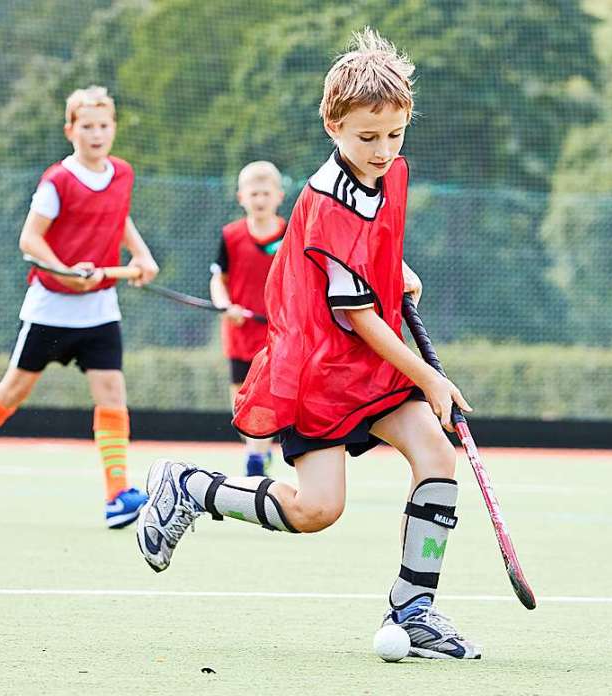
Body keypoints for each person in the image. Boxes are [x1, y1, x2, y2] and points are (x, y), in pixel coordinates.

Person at [136, 29, 481, 659]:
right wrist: (430, 379)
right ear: (334, 127)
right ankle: (191, 488)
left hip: (367, 369)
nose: (383, 151)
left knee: (436, 453)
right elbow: (358, 319)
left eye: (395, 135)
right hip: (324, 367)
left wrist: (395, 269)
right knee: (317, 510)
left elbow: (375, 244)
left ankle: (416, 609)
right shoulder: (327, 201)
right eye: (367, 137)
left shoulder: (391, 171)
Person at [0, 86, 159, 528]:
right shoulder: (58, 180)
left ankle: (117, 495)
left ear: (114, 129)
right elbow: (30, 239)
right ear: (70, 130)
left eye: (104, 126)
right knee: (11, 393)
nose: (96, 134)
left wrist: (141, 256)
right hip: (51, 308)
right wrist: (66, 270)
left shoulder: (123, 174)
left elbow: (118, 216)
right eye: (87, 126)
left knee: (112, 394)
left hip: (99, 309)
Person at [209, 160, 287, 476]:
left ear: (278, 196)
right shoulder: (230, 236)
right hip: (240, 336)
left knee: (265, 399)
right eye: (253, 193)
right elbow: (218, 279)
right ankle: (259, 449)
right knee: (241, 407)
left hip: (278, 335)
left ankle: (255, 460)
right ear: (241, 197)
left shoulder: (290, 234)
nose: (260, 200)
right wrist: (225, 305)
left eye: (266, 193)